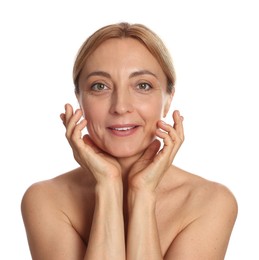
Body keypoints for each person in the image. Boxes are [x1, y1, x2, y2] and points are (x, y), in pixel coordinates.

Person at [21, 22, 238, 260]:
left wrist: (142, 193)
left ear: (167, 100)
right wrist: (107, 185)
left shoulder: (210, 202)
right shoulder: (45, 199)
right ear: (79, 100)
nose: (121, 106)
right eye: (100, 86)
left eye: (143, 85)